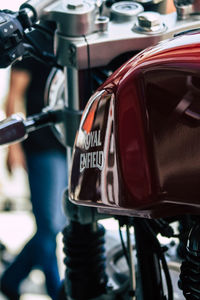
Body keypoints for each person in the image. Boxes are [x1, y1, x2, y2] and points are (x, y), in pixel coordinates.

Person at [1, 56, 68, 300]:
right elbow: (14, 94)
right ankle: (57, 290)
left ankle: (12, 278)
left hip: (70, 146)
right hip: (41, 146)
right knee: (49, 225)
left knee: (59, 224)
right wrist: (13, 147)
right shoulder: (36, 39)